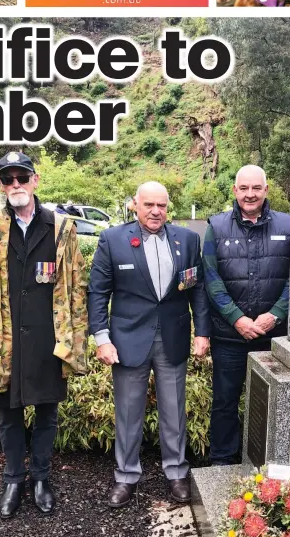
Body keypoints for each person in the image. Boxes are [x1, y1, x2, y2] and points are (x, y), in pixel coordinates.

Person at [0, 152, 88, 519]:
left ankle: (41, 479)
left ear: (35, 180)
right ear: (0, 185)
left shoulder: (61, 228)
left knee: (47, 414)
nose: (15, 184)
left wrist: (75, 340)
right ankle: (14, 479)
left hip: (49, 340)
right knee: (8, 415)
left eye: (22, 177)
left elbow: (77, 286)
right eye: (7, 179)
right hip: (5, 341)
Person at [88, 181, 210, 508]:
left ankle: (176, 473)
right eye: (149, 205)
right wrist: (102, 338)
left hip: (172, 337)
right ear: (135, 205)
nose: (156, 212)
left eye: (162, 206)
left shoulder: (187, 239)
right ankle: (126, 476)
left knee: (174, 411)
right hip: (128, 340)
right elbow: (98, 292)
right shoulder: (113, 240)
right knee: (128, 413)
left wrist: (202, 332)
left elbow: (196, 289)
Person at [203, 165, 290, 466]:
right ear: (235, 190)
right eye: (244, 188)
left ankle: (271, 462)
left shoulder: (289, 226)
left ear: (266, 190)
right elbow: (211, 280)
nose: (249, 194)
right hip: (229, 337)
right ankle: (223, 460)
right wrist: (237, 319)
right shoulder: (216, 226)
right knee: (225, 402)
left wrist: (275, 315)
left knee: (275, 404)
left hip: (274, 337)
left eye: (256, 188)